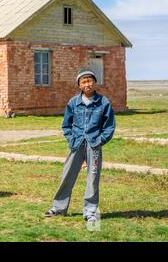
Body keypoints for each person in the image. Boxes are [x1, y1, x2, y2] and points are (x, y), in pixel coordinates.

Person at [44, 66, 115, 223]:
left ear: (95, 83)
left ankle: (90, 212)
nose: (87, 84)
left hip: (94, 145)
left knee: (93, 178)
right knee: (67, 175)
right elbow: (66, 126)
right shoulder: (73, 102)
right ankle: (58, 208)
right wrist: (71, 140)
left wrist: (99, 141)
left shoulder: (103, 102)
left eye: (90, 81)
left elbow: (109, 127)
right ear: (79, 85)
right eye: (84, 81)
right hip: (76, 144)